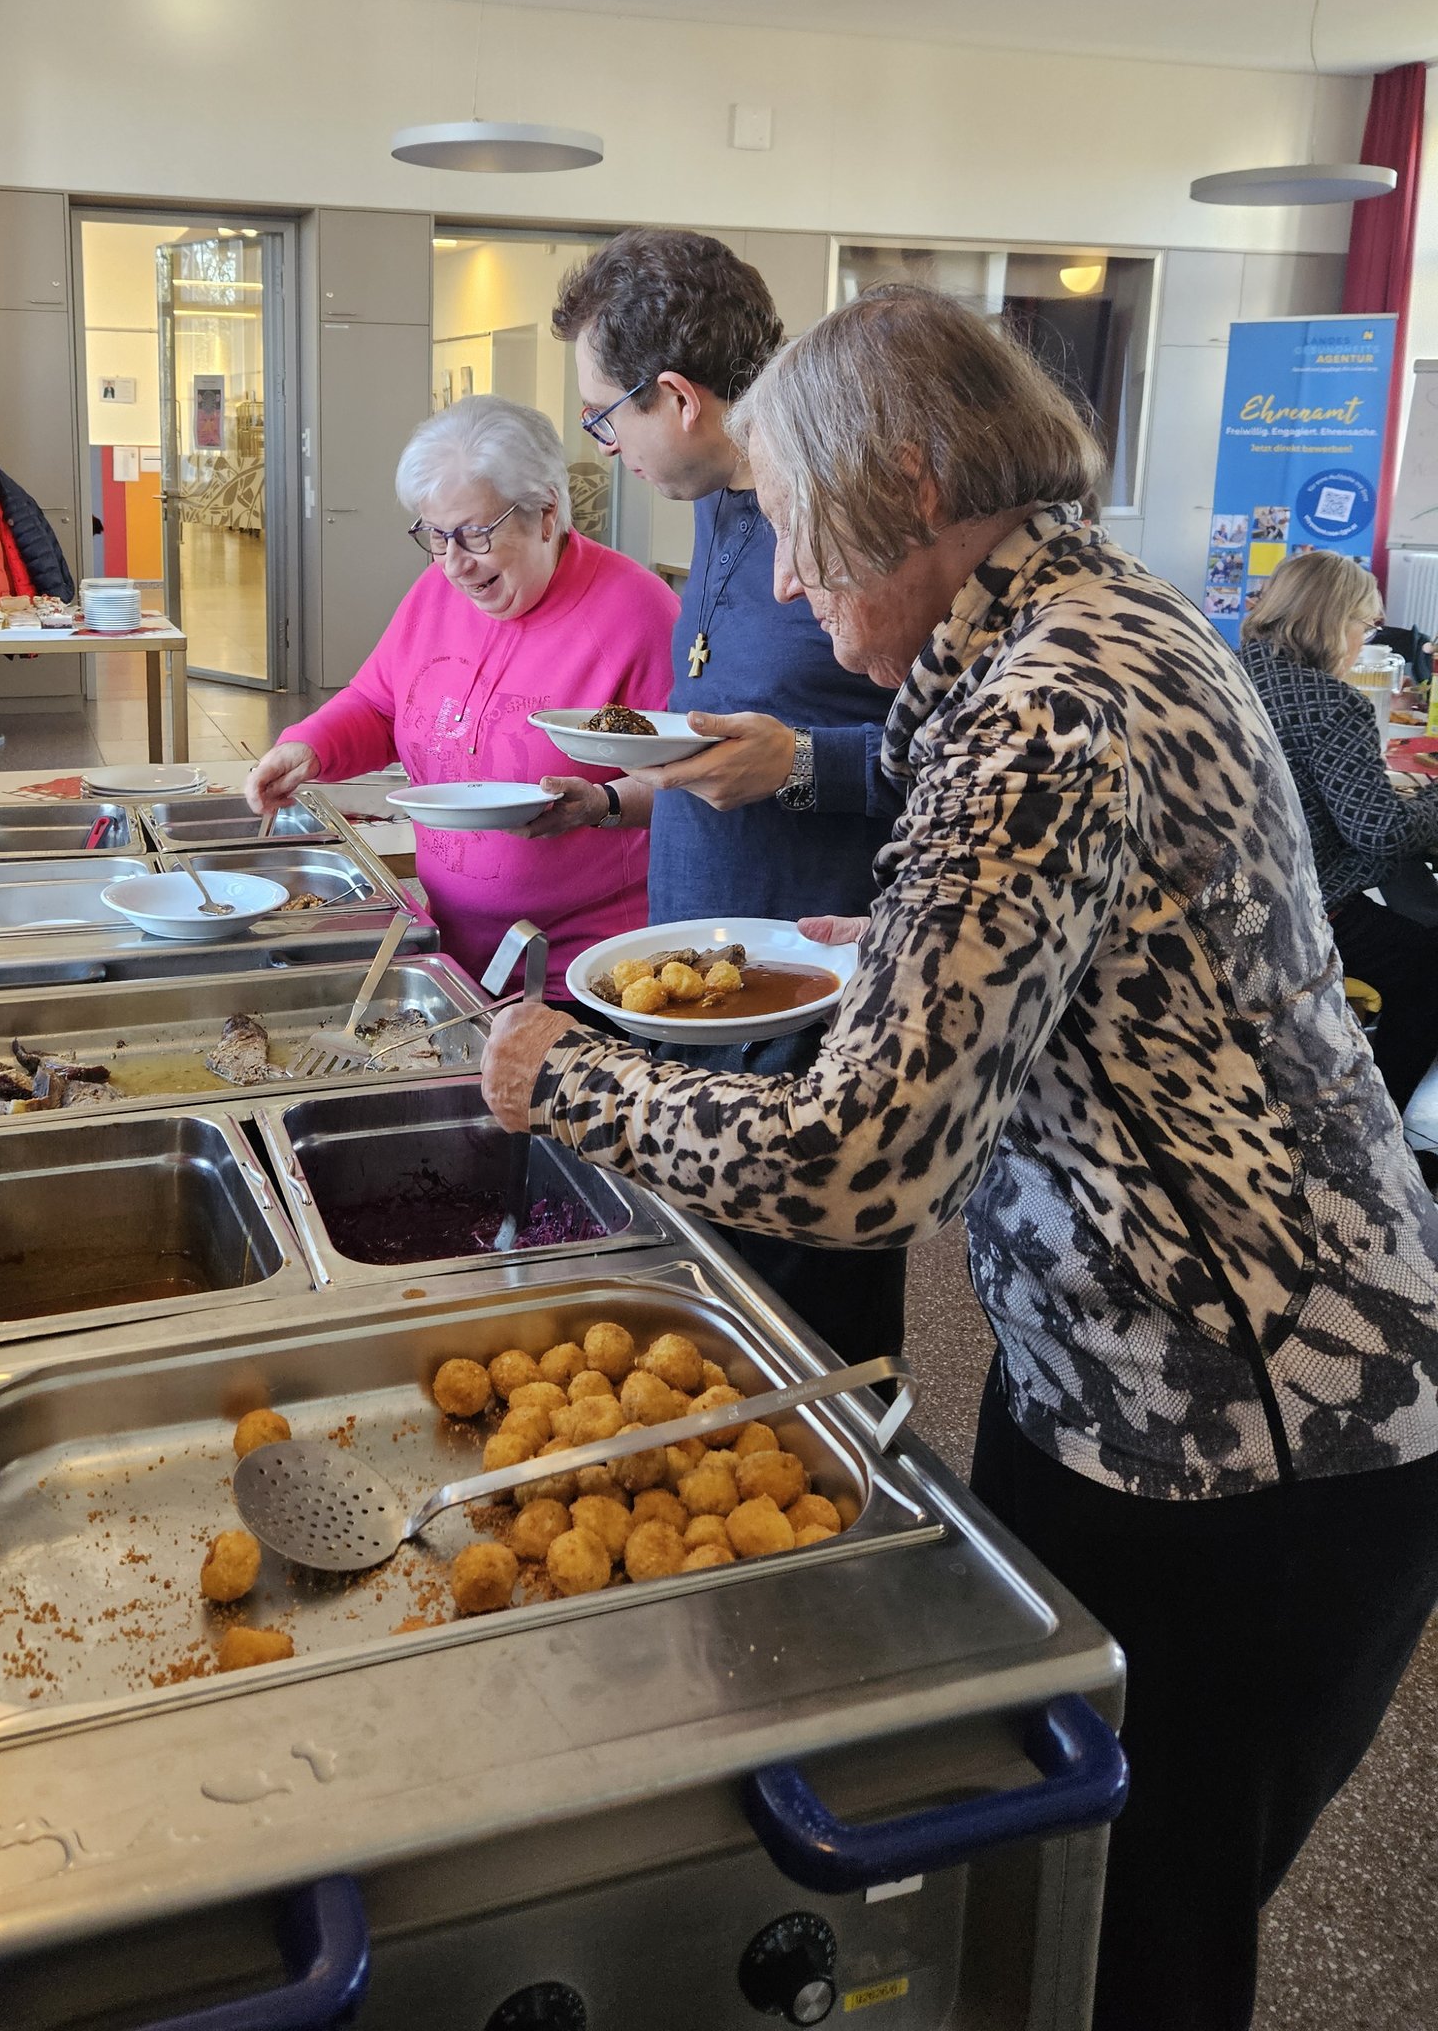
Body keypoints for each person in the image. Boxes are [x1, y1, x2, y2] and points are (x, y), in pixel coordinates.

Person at [480, 286, 1438, 2031]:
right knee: (1046, 1895)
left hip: (1253, 1427)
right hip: (1150, 1368)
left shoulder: (1044, 706)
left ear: (913, 486)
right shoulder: (1086, 617)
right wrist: (912, 953)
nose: (784, 583)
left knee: (1125, 1938)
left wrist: (573, 1080)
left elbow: (865, 1167)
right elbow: (1120, 962)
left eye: (798, 530)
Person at [530, 227, 907, 1364]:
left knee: (809, 1351)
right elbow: (726, 747)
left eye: (606, 417)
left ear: (681, 398)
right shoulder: (712, 508)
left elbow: (962, 757)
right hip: (692, 998)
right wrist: (611, 802)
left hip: (807, 1016)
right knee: (703, 1331)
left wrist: (800, 763)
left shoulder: (855, 522)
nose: (607, 447)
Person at [246, 394, 676, 983]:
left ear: (546, 513)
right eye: (435, 535)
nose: (453, 564)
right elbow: (379, 703)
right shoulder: (435, 593)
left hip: (587, 968)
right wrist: (310, 746)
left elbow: (690, 783)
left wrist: (602, 804)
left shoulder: (637, 613)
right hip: (450, 945)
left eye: (475, 534)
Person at [1240, 548, 1438, 1111]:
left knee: (1411, 904)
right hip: (1301, 907)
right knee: (1431, 969)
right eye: (1366, 625)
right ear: (1333, 620)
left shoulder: (1238, 669)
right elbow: (1379, 832)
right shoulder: (1329, 702)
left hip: (1240, 887)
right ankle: (1378, 1125)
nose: (1364, 640)